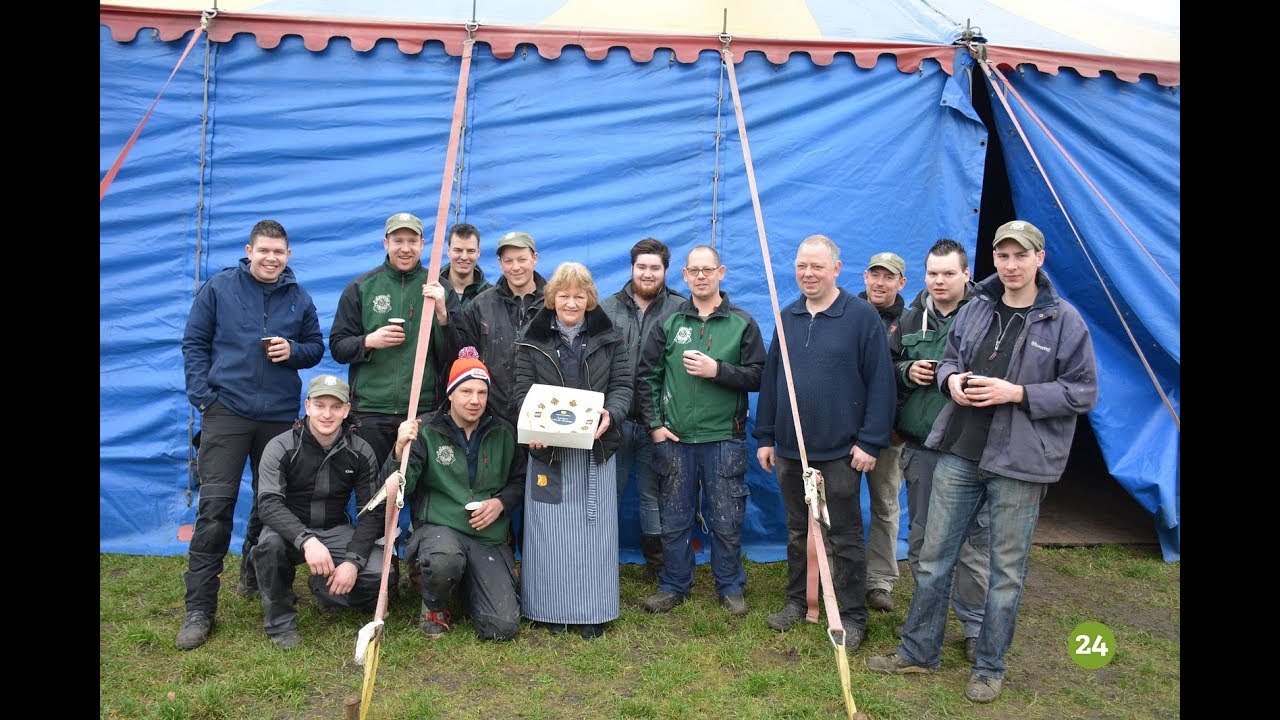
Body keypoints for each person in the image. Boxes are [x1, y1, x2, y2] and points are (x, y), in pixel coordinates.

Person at [867, 220, 1098, 704]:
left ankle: (990, 665)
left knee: (1005, 571)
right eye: (1003, 256)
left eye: (1020, 256)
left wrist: (1019, 393)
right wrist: (949, 381)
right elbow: (951, 358)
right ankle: (918, 650)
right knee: (931, 558)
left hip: (1019, 463)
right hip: (959, 449)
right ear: (993, 259)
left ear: (1040, 259)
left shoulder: (1064, 321)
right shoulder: (977, 308)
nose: (1011, 265)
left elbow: (1082, 391)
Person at [177, 219, 325, 650]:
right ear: (249, 250)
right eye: (264, 251)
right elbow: (194, 344)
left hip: (278, 417)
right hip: (226, 413)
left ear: (288, 255)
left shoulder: (299, 297)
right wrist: (205, 400)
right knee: (215, 510)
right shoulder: (220, 288)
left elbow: (316, 347)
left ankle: (254, 576)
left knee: (270, 505)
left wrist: (293, 351)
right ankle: (199, 609)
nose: (271, 258)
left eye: (279, 252)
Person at [753, 234, 896, 652]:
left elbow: (881, 385)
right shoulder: (788, 317)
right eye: (801, 265)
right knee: (799, 530)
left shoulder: (861, 317)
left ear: (836, 269)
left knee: (844, 534)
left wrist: (870, 442)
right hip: (791, 450)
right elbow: (772, 382)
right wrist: (765, 437)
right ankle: (800, 600)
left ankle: (851, 615)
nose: (808, 273)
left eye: (817, 266)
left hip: (841, 451)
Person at [636, 245, 765, 616]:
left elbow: (759, 375)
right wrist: (656, 426)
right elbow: (647, 376)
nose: (701, 277)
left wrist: (718, 371)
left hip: (724, 438)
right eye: (694, 271)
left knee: (727, 517)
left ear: (721, 272)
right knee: (674, 517)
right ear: (685, 275)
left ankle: (729, 585)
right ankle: (674, 584)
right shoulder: (671, 322)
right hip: (675, 439)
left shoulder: (741, 322)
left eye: (708, 270)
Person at [514, 262, 632, 639]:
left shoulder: (610, 338)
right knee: (548, 534)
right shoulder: (531, 340)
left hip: (595, 450)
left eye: (578, 295)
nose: (571, 302)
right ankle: (549, 609)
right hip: (549, 453)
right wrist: (530, 426)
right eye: (563, 295)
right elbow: (521, 391)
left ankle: (593, 611)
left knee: (593, 533)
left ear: (589, 298)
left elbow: (623, 386)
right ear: (551, 298)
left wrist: (611, 415)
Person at [889, 239, 988, 664]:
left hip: (971, 448)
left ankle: (975, 625)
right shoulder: (910, 317)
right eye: (933, 273)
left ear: (966, 274)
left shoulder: (988, 316)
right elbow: (886, 369)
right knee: (923, 537)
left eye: (949, 273)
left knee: (972, 540)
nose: (940, 281)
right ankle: (924, 621)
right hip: (922, 447)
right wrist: (907, 370)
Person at [388, 348, 525, 640]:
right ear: (450, 393)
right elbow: (402, 487)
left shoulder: (504, 432)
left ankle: (468, 587)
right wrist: (400, 450)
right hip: (440, 530)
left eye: (481, 392)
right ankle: (434, 605)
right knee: (443, 558)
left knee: (502, 628)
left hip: (488, 536)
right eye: (465, 391)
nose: (475, 400)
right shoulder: (425, 432)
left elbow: (520, 480)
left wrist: (501, 503)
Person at [250, 374, 392, 650]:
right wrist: (306, 540)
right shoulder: (280, 446)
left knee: (378, 576)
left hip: (335, 529)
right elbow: (268, 504)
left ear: (347, 410)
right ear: (307, 406)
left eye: (336, 407)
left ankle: (325, 589)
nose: (327, 414)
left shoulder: (361, 451)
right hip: (290, 530)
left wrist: (352, 561)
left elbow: (371, 511)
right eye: (320, 405)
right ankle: (281, 624)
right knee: (270, 548)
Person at [329, 212, 459, 469]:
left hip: (423, 410)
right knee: (373, 489)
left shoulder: (440, 289)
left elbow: (456, 354)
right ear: (386, 243)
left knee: (422, 489)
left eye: (412, 241)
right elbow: (338, 347)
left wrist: (443, 315)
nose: (405, 248)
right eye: (398, 240)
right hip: (371, 410)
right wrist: (369, 341)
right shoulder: (362, 287)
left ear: (423, 244)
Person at [598, 238, 685, 581]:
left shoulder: (681, 309)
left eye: (655, 268)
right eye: (642, 267)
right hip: (614, 420)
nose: (648, 274)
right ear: (631, 268)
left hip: (657, 422)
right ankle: (600, 561)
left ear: (665, 271)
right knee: (607, 495)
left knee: (652, 496)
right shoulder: (606, 309)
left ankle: (658, 566)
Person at [858, 251, 908, 614]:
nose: (880, 282)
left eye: (888, 277)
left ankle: (879, 581)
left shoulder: (910, 322)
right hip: (843, 431)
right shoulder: (844, 313)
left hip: (888, 434)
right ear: (864, 277)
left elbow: (911, 382)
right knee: (832, 506)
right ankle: (834, 572)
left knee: (886, 506)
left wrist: (897, 426)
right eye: (875, 275)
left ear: (900, 283)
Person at [454, 231, 547, 427]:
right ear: (499, 262)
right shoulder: (481, 304)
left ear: (535, 259)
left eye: (522, 260)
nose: (516, 268)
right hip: (494, 417)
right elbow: (462, 353)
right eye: (508, 261)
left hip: (542, 415)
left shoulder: (554, 303)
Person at [441, 222, 492, 308]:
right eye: (458, 250)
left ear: (478, 252)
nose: (464, 257)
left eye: (470, 251)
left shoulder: (491, 296)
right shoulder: (431, 288)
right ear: (448, 251)